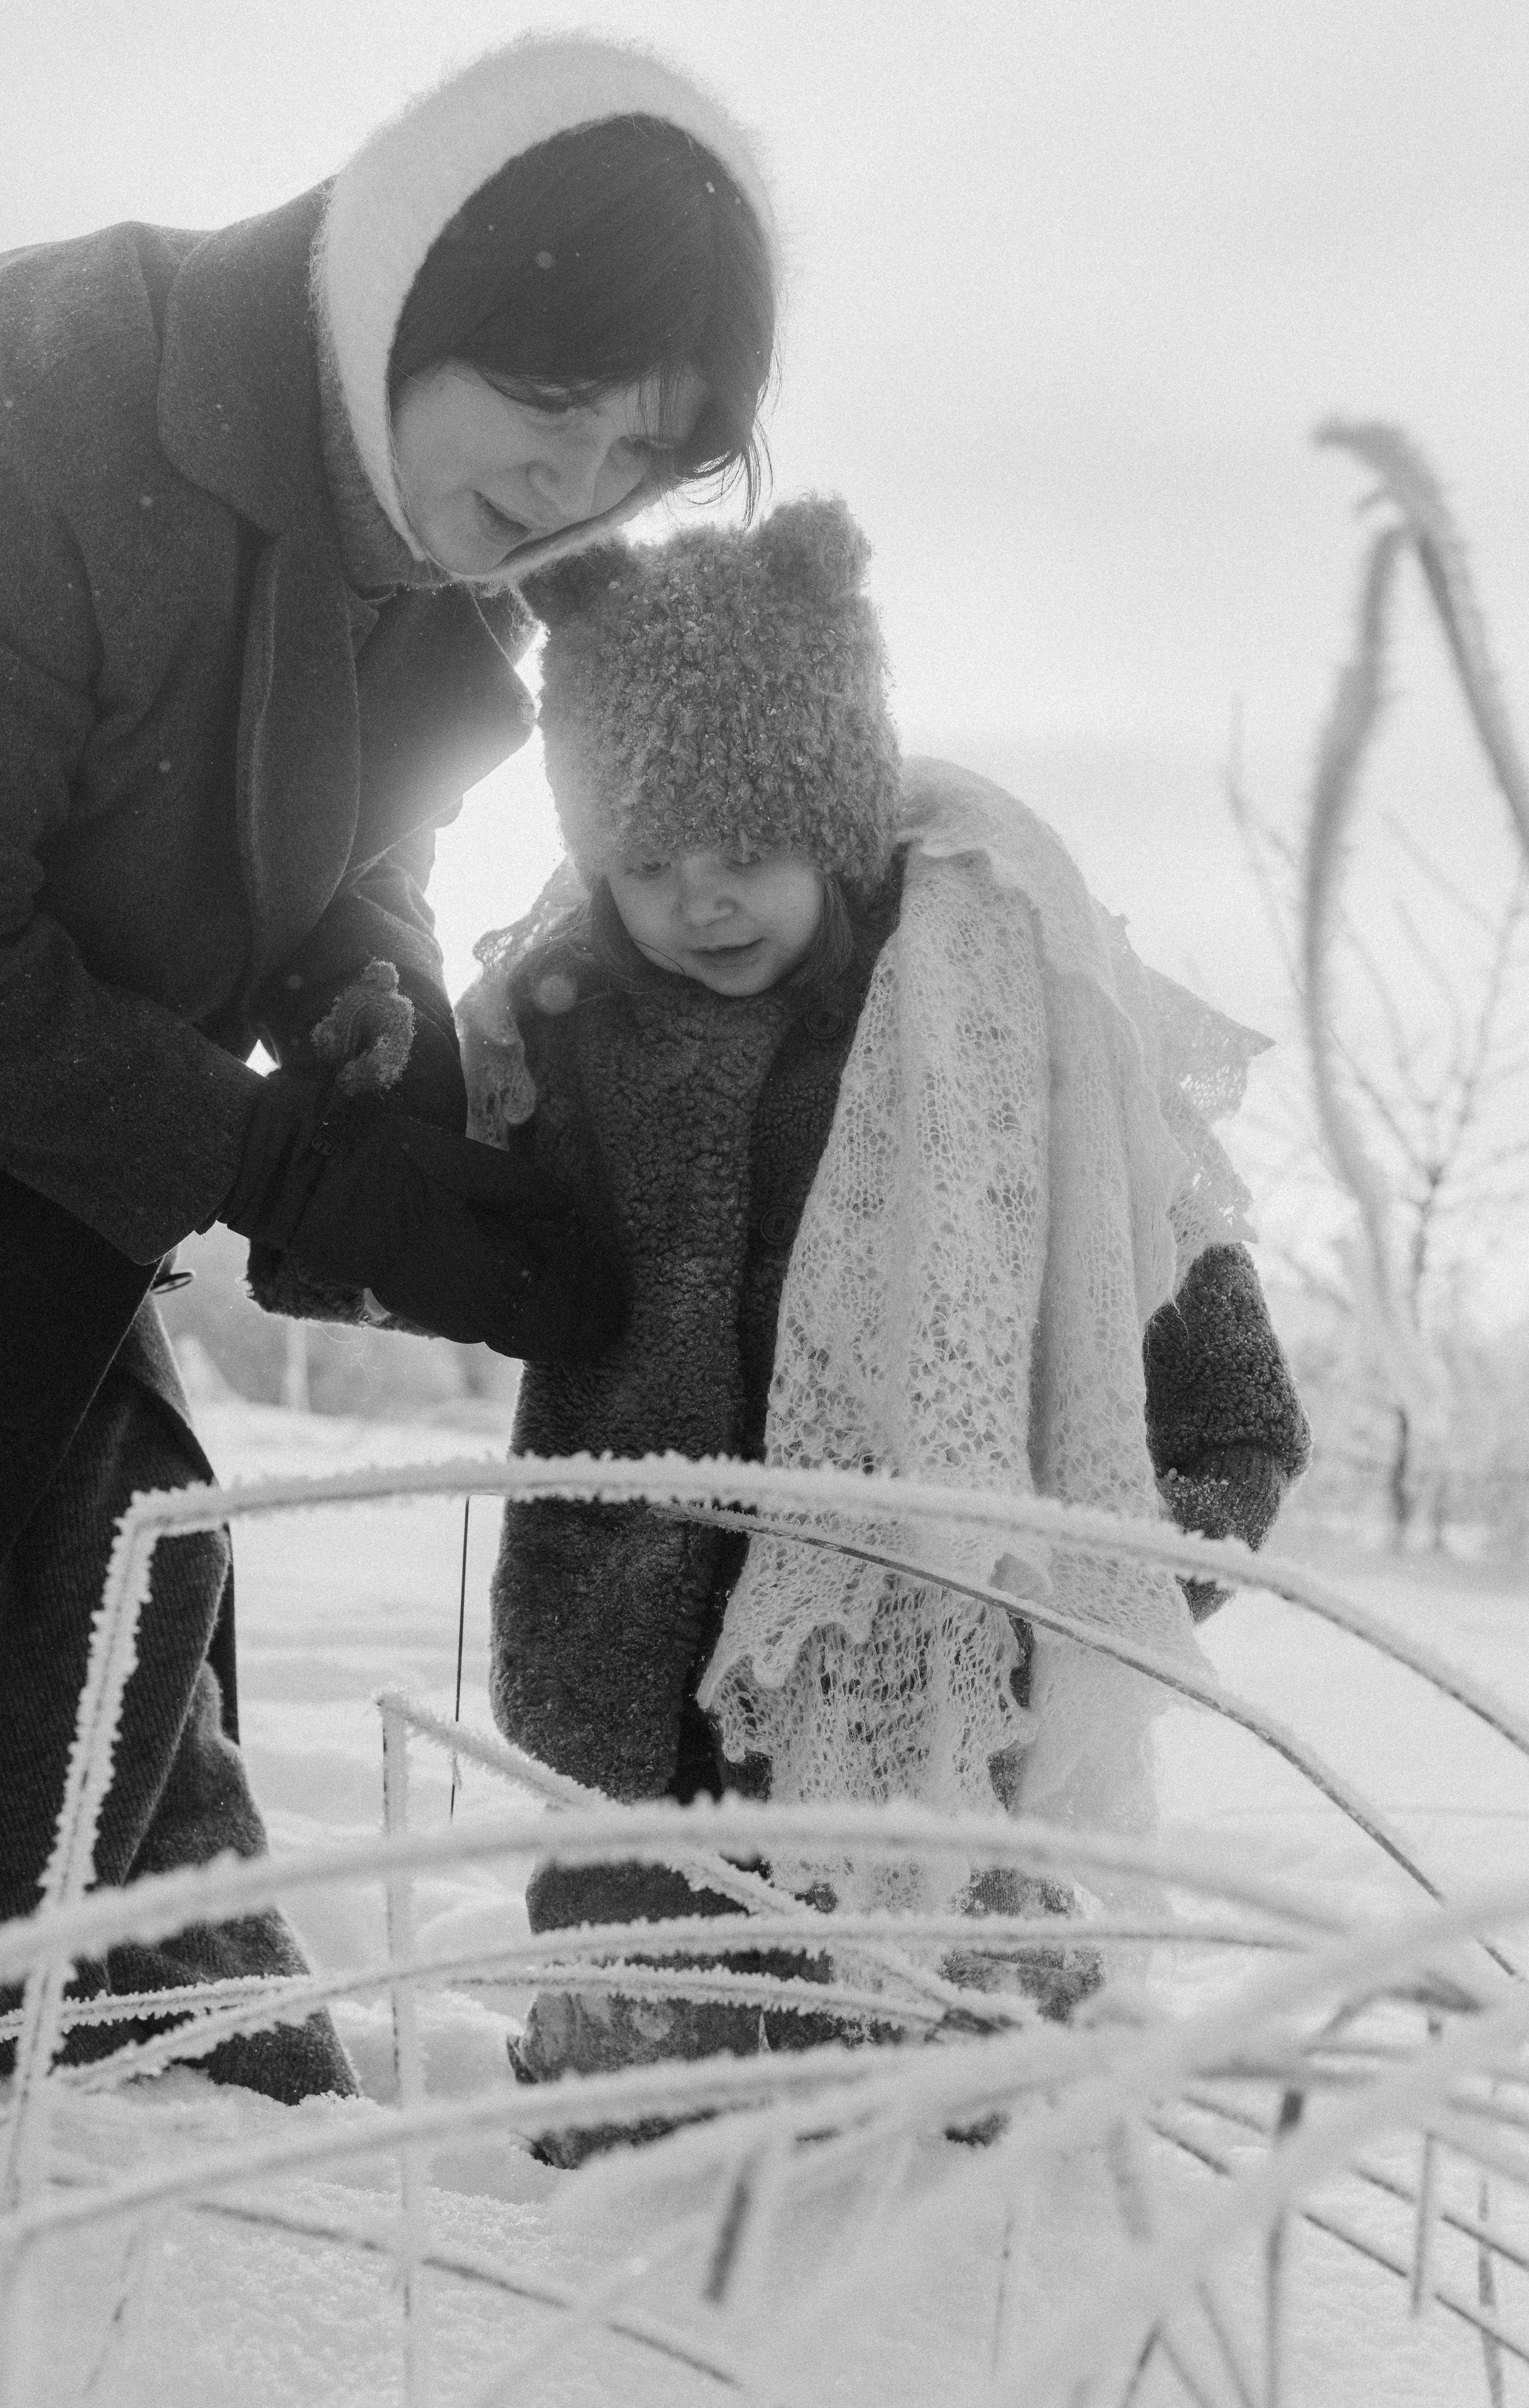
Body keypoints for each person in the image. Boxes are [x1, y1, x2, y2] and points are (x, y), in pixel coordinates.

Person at [0, 34, 779, 2101]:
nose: (578, 492)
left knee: (105, 1664)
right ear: (411, 280)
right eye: (554, 402)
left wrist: (366, 1014)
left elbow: (349, 840)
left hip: (16, 1210)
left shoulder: (445, 561)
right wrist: (274, 1167)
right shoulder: (47, 392)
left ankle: (170, 2040)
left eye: (641, 452)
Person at [451, 495, 1311, 2161]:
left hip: (939, 1707)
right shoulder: (564, 1035)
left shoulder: (1019, 1027)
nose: (698, 903)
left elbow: (1226, 1409)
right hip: (635, 1696)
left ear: (835, 820)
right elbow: (434, 1249)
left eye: (746, 850)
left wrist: (1075, 1600)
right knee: (645, 2128)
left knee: (957, 2143)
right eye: (648, 863)